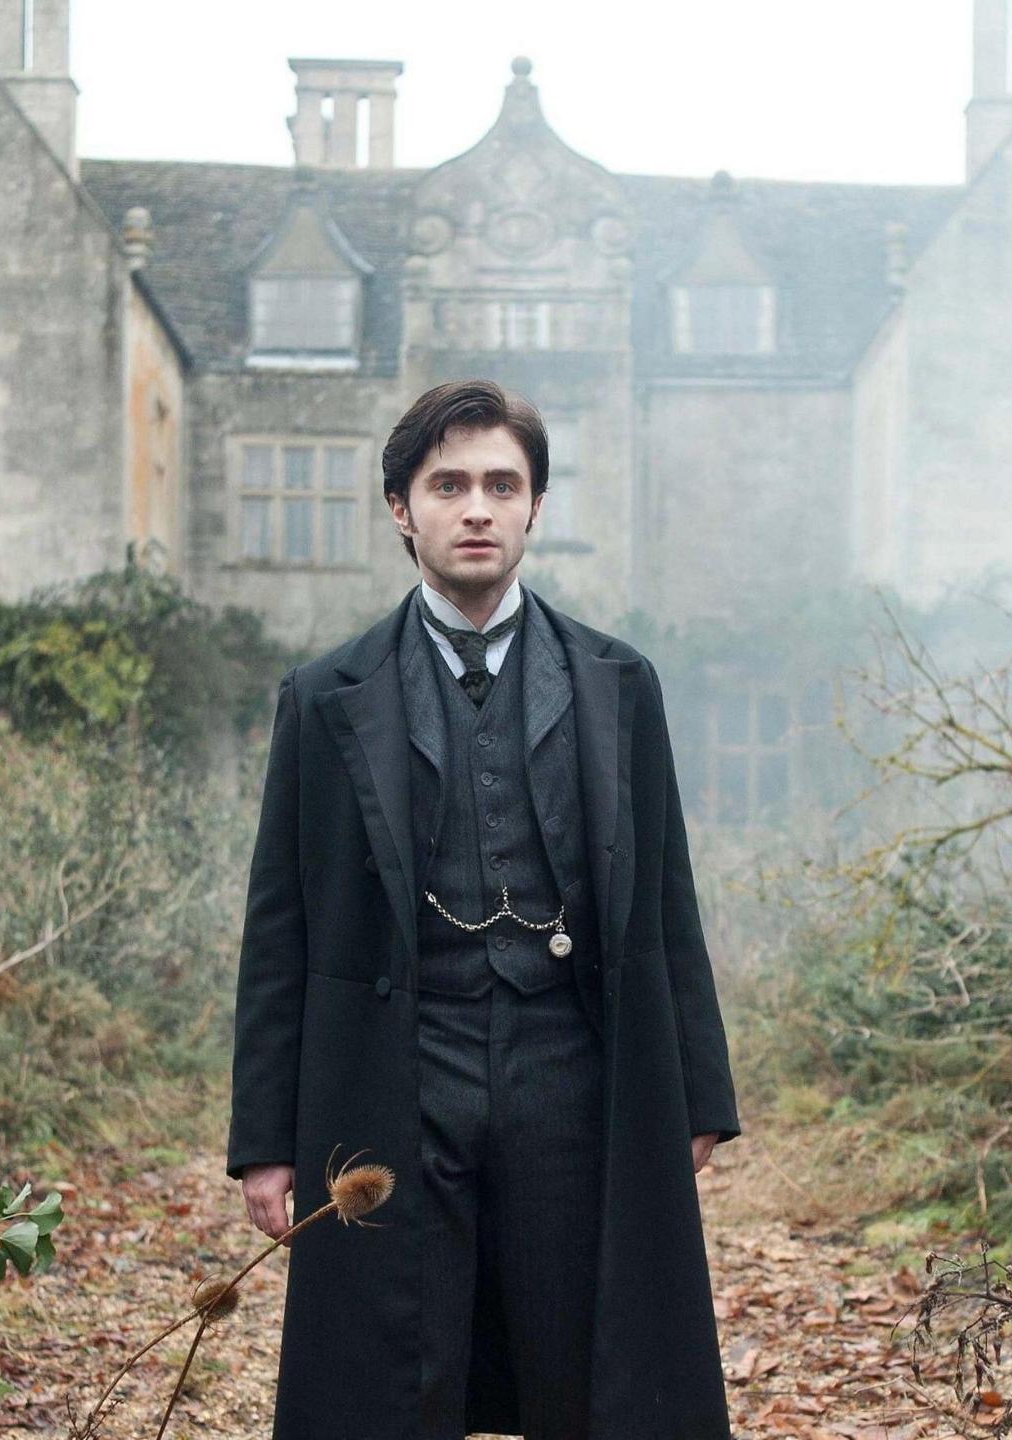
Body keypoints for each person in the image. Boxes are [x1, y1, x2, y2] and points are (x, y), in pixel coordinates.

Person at [226, 378, 741, 1438]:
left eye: (502, 485)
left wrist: (694, 1091)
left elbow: (665, 899)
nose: (477, 508)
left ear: (534, 507)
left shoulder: (617, 682)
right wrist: (264, 1139)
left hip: (574, 1062)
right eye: (448, 484)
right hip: (392, 1064)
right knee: (391, 1370)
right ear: (401, 508)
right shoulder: (326, 697)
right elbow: (280, 924)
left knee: (581, 1356)